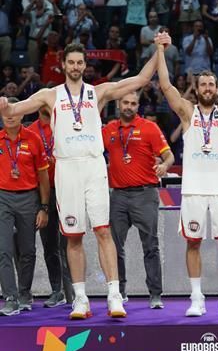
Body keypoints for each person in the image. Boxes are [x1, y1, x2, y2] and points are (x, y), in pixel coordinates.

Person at [0, 41, 165, 319]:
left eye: (80, 63)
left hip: (93, 166)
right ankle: (80, 298)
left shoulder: (98, 92)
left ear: (84, 66)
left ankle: (114, 296)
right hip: (66, 169)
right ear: (62, 65)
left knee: (103, 231)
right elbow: (15, 111)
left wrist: (159, 50)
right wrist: (5, 104)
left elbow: (142, 79)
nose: (75, 67)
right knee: (73, 237)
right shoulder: (49, 95)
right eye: (71, 62)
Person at [155, 28, 218, 317]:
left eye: (212, 84)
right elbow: (165, 85)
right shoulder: (187, 113)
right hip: (194, 189)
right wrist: (160, 50)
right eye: (203, 85)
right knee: (193, 242)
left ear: (217, 89)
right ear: (196, 89)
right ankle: (197, 298)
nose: (208, 89)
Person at [102, 91, 174, 309]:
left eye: (133, 103)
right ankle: (119, 292)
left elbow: (169, 155)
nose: (129, 106)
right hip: (118, 196)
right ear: (118, 103)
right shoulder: (108, 130)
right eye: (125, 102)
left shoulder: (149, 128)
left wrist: (164, 166)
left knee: (151, 246)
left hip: (145, 194)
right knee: (115, 247)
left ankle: (155, 295)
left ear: (138, 106)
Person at [0, 98, 50, 316]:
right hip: (3, 198)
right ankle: (9, 298)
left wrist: (44, 207)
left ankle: (24, 294)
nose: (10, 115)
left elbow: (43, 176)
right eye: (5, 112)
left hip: (29, 199)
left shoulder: (33, 139)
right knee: (3, 250)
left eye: (14, 111)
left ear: (22, 114)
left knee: (28, 251)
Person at [30, 104, 72, 306]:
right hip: (43, 194)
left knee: (70, 243)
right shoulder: (30, 132)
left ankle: (74, 293)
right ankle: (57, 291)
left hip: (67, 191)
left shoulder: (66, 126)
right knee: (50, 246)